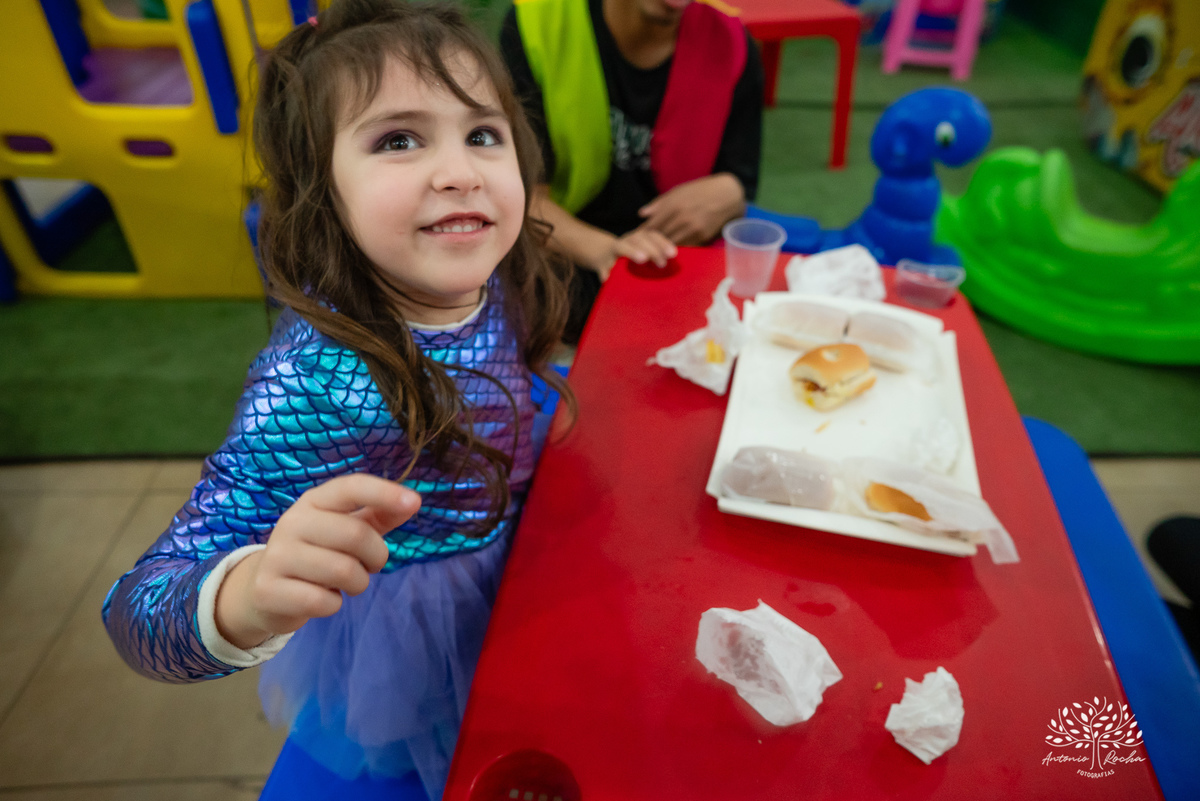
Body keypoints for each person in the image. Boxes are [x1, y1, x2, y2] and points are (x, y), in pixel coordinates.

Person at [101, 2, 573, 799]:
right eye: (398, 139)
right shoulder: (318, 380)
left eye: (482, 134)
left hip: (522, 558)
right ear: (325, 192)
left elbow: (506, 378)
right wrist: (244, 595)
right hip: (416, 642)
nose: (461, 170)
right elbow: (135, 609)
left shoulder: (491, 276)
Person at [499, 0, 764, 342]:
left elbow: (739, 177)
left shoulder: (732, 43)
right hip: (562, 260)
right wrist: (609, 252)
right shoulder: (537, 23)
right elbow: (520, 197)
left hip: (675, 264)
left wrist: (731, 192)